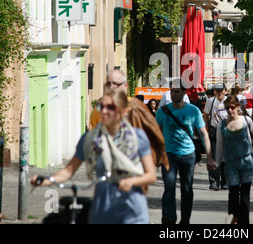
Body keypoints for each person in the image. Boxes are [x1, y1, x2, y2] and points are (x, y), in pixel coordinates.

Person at [31, 90, 157, 224]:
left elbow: (151, 175)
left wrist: (131, 182)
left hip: (132, 211)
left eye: (110, 107)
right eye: (101, 106)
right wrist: (47, 180)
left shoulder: (137, 137)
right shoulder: (90, 139)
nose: (103, 111)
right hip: (103, 209)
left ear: (123, 110)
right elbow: (68, 171)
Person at [155, 81, 216, 224]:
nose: (174, 94)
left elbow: (203, 134)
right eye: (172, 91)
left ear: (184, 93)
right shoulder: (162, 111)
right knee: (169, 186)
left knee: (186, 188)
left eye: (177, 91)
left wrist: (210, 157)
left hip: (188, 155)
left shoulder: (193, 111)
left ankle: (185, 220)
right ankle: (169, 218)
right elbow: (155, 133)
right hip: (168, 155)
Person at [215, 95, 253, 224]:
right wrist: (216, 162)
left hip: (247, 162)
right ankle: (236, 216)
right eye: (227, 108)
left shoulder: (246, 120)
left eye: (232, 107)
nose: (230, 110)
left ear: (238, 107)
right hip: (230, 163)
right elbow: (219, 146)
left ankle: (243, 222)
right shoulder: (222, 125)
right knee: (233, 193)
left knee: (244, 196)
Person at [203, 82, 228, 190]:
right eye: (217, 90)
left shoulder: (229, 101)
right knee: (214, 156)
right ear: (214, 91)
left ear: (225, 91)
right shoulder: (210, 101)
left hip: (227, 131)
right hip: (214, 131)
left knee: (226, 157)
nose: (219, 93)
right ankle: (214, 182)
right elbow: (206, 115)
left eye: (221, 90)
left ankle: (225, 182)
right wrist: (206, 128)